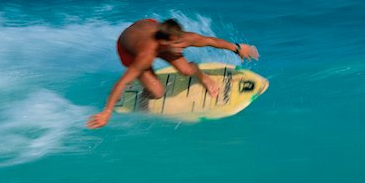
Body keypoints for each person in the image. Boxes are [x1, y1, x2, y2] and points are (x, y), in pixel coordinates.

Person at [87, 18, 259, 129]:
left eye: (181, 42)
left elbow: (209, 41)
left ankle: (202, 77)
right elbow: (122, 83)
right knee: (157, 92)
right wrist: (107, 112)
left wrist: (238, 48)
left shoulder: (179, 38)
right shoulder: (145, 55)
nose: (182, 47)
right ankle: (144, 84)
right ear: (163, 42)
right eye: (177, 45)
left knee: (185, 69)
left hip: (149, 27)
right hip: (128, 48)